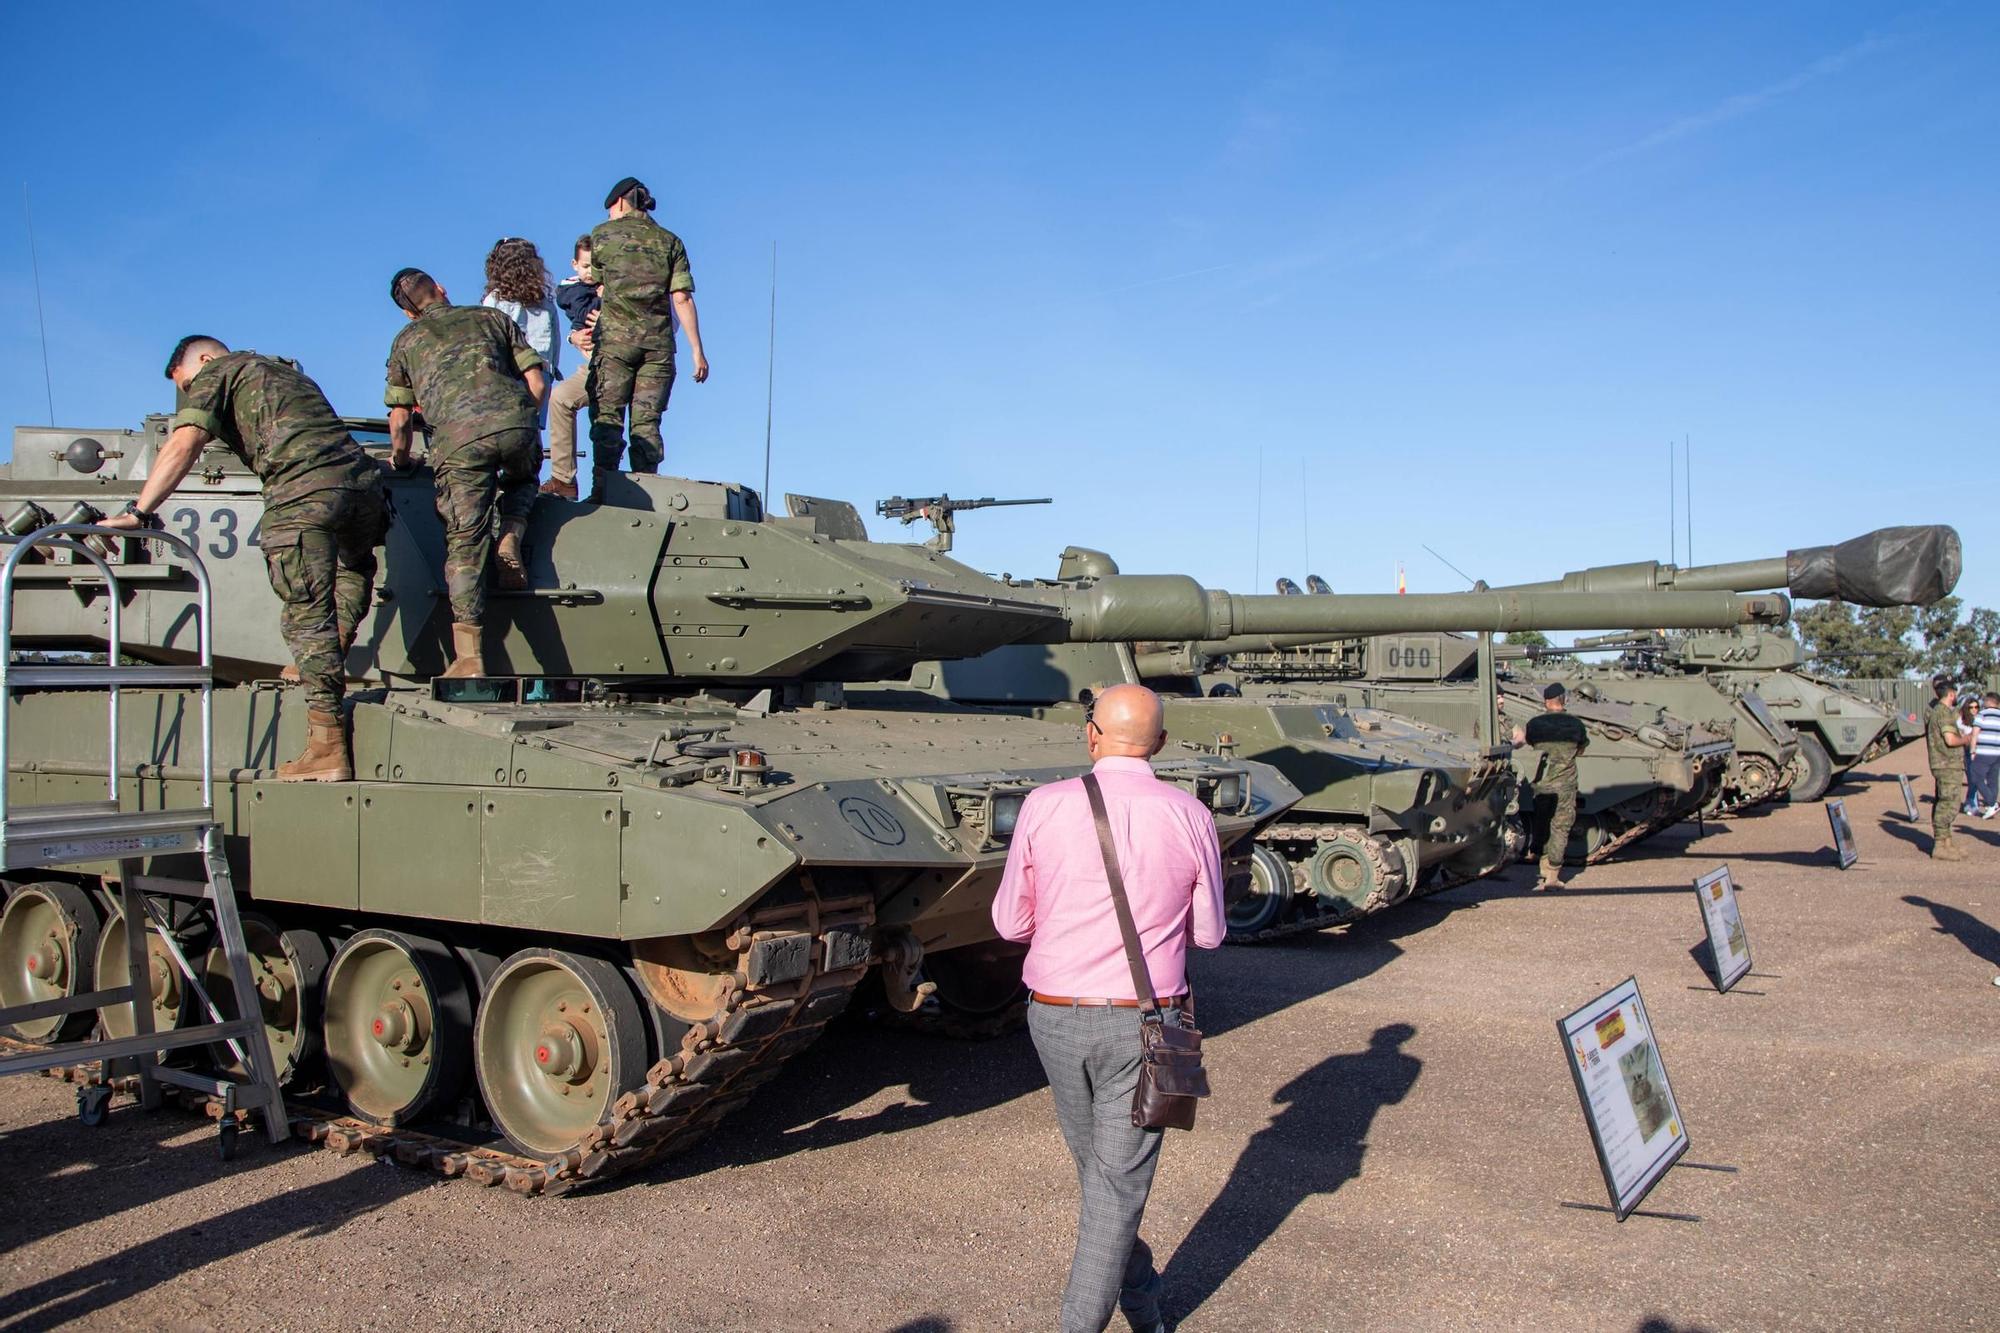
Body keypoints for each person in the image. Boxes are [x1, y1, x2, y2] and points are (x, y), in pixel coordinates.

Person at [991, 683, 1223, 1333]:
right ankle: (1123, 1308)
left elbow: (1009, 921)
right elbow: (1209, 933)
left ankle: (1145, 1305)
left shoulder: (1043, 804)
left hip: (1055, 1017)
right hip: (1150, 1024)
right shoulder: (1189, 812)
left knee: (1105, 1181)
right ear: (1163, 744)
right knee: (1113, 1187)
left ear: (1090, 735)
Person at [101, 336, 389, 782]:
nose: (191, 393)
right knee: (352, 570)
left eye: (188, 383)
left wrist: (139, 512)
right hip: (363, 488)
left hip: (302, 490)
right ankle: (331, 652)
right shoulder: (289, 374)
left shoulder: (219, 370)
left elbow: (185, 442)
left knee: (305, 615)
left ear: (205, 359)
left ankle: (327, 747)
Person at [384, 267, 548, 677]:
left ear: (408, 313)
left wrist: (401, 460)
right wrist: (523, 419)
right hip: (515, 422)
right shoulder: (492, 317)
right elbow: (537, 381)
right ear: (440, 288)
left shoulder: (406, 341)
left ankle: (469, 657)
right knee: (523, 478)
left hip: (458, 444)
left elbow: (401, 419)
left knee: (465, 543)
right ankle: (511, 529)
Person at [586, 176, 708, 498]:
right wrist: (697, 350)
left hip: (614, 345)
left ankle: (603, 494)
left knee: (608, 418)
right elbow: (681, 297)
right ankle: (645, 496)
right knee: (647, 424)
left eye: (611, 206)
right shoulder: (671, 242)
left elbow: (599, 285)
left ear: (622, 201)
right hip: (658, 349)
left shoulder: (601, 236)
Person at [1515, 681, 1589, 890]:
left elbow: (1526, 744)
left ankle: (1541, 861)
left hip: (1541, 784)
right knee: (1561, 827)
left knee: (1542, 823)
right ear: (1563, 700)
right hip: (1565, 784)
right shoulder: (1576, 725)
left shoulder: (1535, 724)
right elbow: (1581, 749)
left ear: (1546, 701)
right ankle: (1553, 876)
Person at [543, 235, 600, 501]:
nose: (590, 272)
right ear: (575, 264)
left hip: (619, 364)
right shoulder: (574, 289)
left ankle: (610, 490)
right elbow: (577, 317)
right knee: (561, 397)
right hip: (592, 362)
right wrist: (573, 335)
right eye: (586, 266)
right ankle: (563, 479)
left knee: (606, 426)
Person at [480, 237, 561, 421]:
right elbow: (555, 341)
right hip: (542, 370)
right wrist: (552, 370)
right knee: (533, 431)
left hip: (510, 372)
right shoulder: (545, 302)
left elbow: (490, 340)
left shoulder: (495, 300)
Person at [1925, 677, 1974, 860]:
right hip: (1947, 764)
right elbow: (1950, 740)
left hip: (1945, 764)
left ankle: (1946, 842)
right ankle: (1940, 845)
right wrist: (1967, 739)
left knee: (1946, 800)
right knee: (1948, 804)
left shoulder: (1938, 710)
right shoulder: (1943, 713)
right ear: (1951, 694)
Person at [1959, 699, 1981, 814]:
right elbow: (1961, 738)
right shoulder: (1961, 721)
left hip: (1981, 753)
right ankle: (1971, 804)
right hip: (1968, 753)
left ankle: (1971, 803)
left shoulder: (1981, 719)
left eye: (1976, 707)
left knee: (1977, 780)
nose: (1974, 709)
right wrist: (1972, 735)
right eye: (1971, 707)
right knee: (1973, 779)